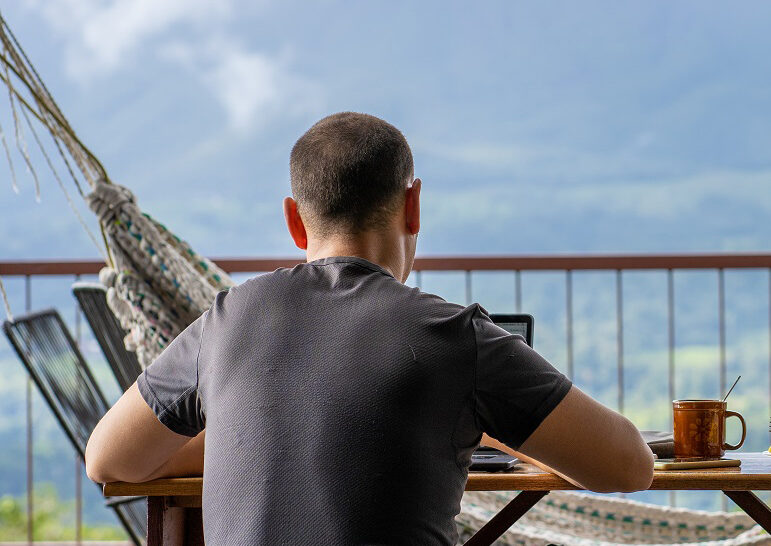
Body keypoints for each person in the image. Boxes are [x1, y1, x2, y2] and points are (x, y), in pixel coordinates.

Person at [85, 112, 654, 544]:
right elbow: (629, 465)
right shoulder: (455, 338)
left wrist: (249, 434)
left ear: (294, 220)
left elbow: (107, 459)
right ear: (414, 207)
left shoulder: (226, 321)